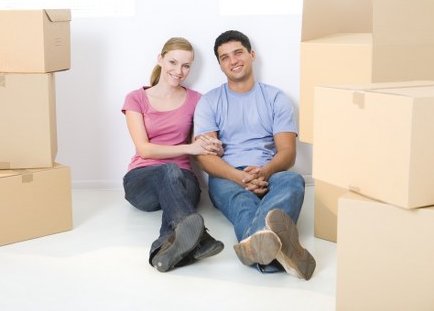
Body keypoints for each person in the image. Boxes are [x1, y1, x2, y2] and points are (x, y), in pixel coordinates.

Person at [193, 30, 316, 280]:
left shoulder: (275, 98)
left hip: (270, 171)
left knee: (293, 181)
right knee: (242, 204)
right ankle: (278, 253)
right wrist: (239, 177)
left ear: (251, 55)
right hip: (227, 175)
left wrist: (264, 172)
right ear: (220, 64)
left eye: (238, 53)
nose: (233, 60)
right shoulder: (210, 101)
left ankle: (262, 252)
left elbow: (288, 153)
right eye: (225, 57)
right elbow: (205, 157)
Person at [122, 37, 224, 273]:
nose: (179, 71)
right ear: (160, 59)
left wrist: (213, 147)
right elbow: (145, 149)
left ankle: (164, 249)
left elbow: (202, 142)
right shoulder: (135, 98)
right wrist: (190, 148)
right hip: (141, 180)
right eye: (173, 62)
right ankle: (202, 238)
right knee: (168, 169)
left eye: (186, 65)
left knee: (174, 176)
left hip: (183, 182)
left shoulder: (196, 99)